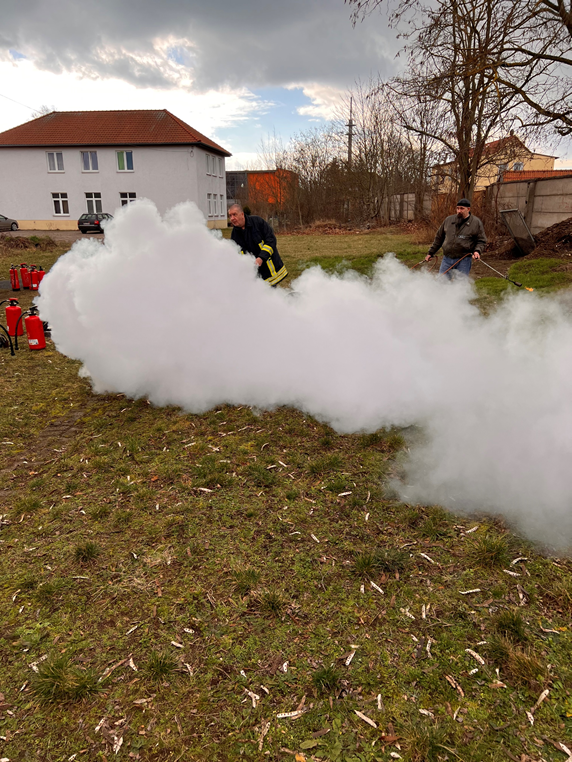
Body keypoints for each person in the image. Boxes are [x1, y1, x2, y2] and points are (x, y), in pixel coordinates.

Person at [228, 204, 288, 287]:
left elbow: (271, 240)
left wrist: (261, 257)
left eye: (234, 214)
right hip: (254, 275)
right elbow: (237, 255)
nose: (232, 218)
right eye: (230, 216)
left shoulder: (257, 222)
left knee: (273, 295)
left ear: (242, 214)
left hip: (270, 269)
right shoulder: (234, 235)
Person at [425, 198, 486, 277]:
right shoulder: (448, 220)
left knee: (460, 285)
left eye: (462, 208)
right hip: (447, 259)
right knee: (441, 283)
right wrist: (431, 253)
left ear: (468, 209)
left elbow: (481, 240)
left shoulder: (476, 222)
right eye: (457, 208)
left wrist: (477, 251)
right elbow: (439, 238)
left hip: (464, 260)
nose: (459, 211)